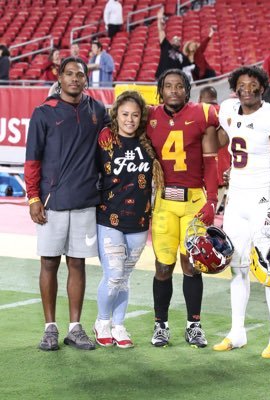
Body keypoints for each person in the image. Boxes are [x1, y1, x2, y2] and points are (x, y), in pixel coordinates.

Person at [24, 56, 111, 351]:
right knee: (49, 262)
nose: (75, 78)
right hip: (52, 203)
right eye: (69, 74)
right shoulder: (43, 113)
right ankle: (50, 327)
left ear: (86, 79)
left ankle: (75, 328)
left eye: (80, 74)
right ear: (59, 78)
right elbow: (32, 160)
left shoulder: (98, 110)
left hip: (86, 202)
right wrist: (33, 197)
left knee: (77, 263)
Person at [213, 66, 270, 358]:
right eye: (242, 84)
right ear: (235, 88)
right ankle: (237, 332)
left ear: (263, 87)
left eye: (253, 84)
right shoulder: (229, 110)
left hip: (262, 199)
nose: (247, 88)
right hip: (236, 199)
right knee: (237, 266)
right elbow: (219, 141)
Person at [146, 69, 219, 348]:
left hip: (193, 202)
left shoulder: (202, 113)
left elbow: (212, 158)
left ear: (187, 90)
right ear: (160, 90)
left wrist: (212, 199)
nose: (173, 91)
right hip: (164, 201)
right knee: (163, 266)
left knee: (192, 265)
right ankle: (161, 325)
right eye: (168, 86)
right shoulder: (149, 116)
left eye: (179, 86)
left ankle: (194, 325)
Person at [94, 91, 164, 349]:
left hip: (139, 220)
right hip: (108, 217)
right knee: (113, 274)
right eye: (125, 114)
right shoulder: (104, 138)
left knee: (124, 277)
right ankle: (102, 322)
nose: (130, 120)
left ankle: (119, 324)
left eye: (135, 115)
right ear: (116, 114)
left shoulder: (148, 141)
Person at [198, 86, 230, 212]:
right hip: (223, 174)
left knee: (197, 220)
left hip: (202, 176)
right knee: (212, 215)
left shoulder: (198, 112)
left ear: (200, 98)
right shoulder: (227, 114)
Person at [155, 7, 191, 80]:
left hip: (173, 82)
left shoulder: (183, 56)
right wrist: (159, 19)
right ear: (171, 41)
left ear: (180, 44)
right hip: (161, 78)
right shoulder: (166, 46)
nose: (176, 40)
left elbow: (189, 69)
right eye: (174, 39)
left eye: (178, 39)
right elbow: (161, 31)